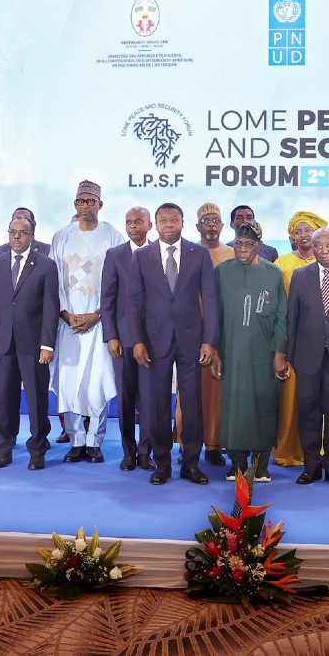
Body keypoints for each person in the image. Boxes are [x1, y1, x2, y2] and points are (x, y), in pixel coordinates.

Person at [127, 203, 218, 485]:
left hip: (192, 339)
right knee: (156, 405)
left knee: (191, 404)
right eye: (163, 220)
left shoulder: (199, 253)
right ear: (155, 224)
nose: (168, 224)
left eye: (174, 219)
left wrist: (210, 340)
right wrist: (137, 341)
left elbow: (211, 299)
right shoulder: (142, 256)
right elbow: (134, 302)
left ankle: (191, 463)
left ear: (182, 222)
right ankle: (162, 463)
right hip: (154, 341)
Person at [273, 212, 329, 468]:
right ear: (311, 248)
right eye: (318, 245)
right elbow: (291, 318)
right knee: (308, 414)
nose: (324, 250)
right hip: (306, 357)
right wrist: (287, 356)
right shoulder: (300, 276)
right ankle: (311, 466)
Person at [50, 180, 125, 464]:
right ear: (75, 205)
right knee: (69, 384)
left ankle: (94, 441)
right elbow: (53, 280)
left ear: (100, 205)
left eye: (90, 201)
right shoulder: (61, 236)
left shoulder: (113, 236)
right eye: (81, 201)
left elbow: (119, 281)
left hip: (100, 323)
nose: (85, 206)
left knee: (96, 383)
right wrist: (67, 314)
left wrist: (97, 315)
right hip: (67, 323)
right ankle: (75, 441)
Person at [210, 222, 289, 482]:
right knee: (234, 408)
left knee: (264, 406)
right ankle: (237, 464)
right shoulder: (221, 272)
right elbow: (214, 315)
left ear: (259, 245)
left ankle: (261, 464)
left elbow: (281, 316)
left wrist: (279, 352)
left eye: (248, 244)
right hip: (231, 351)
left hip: (264, 353)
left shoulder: (273, 273)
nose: (242, 249)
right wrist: (216, 352)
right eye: (238, 243)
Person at [0, 216, 59, 469]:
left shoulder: (46, 265)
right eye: (12, 232)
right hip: (2, 345)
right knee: (3, 399)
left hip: (34, 344)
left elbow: (50, 307)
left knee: (37, 400)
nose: (16, 237)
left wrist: (47, 344)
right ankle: (4, 448)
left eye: (22, 233)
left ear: (32, 236)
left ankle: (37, 450)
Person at [174, 202, 233, 467]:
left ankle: (213, 445)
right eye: (206, 220)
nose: (211, 224)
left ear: (222, 226)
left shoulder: (233, 253)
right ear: (197, 226)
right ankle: (187, 443)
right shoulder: (189, 252)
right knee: (189, 389)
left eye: (215, 220)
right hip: (190, 330)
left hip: (223, 332)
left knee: (217, 390)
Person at [100, 207, 155, 471]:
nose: (132, 226)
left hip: (153, 339)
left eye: (138, 221)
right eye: (128, 222)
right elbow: (107, 299)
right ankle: (128, 452)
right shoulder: (115, 255)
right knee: (125, 398)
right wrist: (111, 336)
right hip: (122, 340)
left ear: (149, 225)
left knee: (149, 399)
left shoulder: (161, 253)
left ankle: (146, 452)